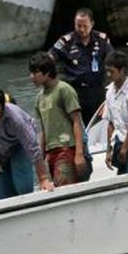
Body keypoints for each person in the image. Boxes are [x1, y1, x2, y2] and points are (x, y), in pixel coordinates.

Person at [0, 88, 54, 199]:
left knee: (22, 183)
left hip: (19, 145)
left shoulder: (15, 119)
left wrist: (43, 178)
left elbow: (32, 147)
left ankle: (26, 203)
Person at [29, 51, 91, 186]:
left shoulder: (64, 90)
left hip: (66, 148)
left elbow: (76, 121)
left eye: (35, 73)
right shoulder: (39, 98)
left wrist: (79, 154)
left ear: (46, 73)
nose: (31, 77)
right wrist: (41, 155)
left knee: (64, 186)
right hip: (51, 152)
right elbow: (44, 129)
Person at [49, 8, 113, 127]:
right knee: (76, 127)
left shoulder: (102, 39)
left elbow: (112, 59)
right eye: (78, 26)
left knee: (99, 127)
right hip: (74, 93)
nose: (82, 29)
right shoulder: (66, 41)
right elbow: (50, 57)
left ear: (92, 24)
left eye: (85, 26)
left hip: (97, 91)